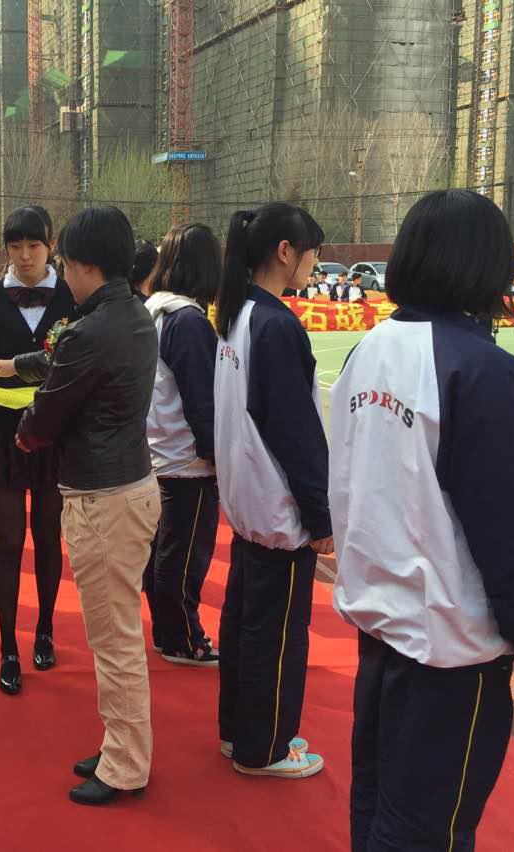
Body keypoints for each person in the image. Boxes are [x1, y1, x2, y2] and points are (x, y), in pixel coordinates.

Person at [329, 190, 514, 851]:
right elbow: (510, 526)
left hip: (384, 622)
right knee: (428, 827)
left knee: (379, 802)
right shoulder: (480, 370)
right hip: (450, 645)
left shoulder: (370, 348)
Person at [0, 206, 160, 806]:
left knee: (115, 641)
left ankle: (126, 763)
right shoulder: (132, 314)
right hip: (128, 485)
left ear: (82, 264)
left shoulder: (91, 329)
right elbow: (62, 356)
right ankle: (119, 744)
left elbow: (44, 418)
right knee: (115, 634)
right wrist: (18, 364)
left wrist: (26, 428)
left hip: (103, 496)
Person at [213, 202, 329, 779]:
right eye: (311, 254)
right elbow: (296, 433)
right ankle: (265, 747)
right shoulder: (275, 324)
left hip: (248, 500)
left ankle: (239, 730)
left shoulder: (238, 314)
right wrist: (322, 516)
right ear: (285, 252)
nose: (314, 264)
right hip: (276, 507)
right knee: (276, 634)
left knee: (245, 622)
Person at [0, 205, 76, 696]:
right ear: (6, 248)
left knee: (49, 537)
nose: (26, 255)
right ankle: (8, 646)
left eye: (34, 245)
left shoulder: (72, 297)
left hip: (54, 435)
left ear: (50, 245)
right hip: (2, 433)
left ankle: (44, 629)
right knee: (8, 542)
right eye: (16, 246)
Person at [142, 224, 222, 666]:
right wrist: (217, 456)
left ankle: (166, 630)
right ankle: (182, 638)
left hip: (156, 452)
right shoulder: (188, 321)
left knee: (163, 552)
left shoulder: (153, 310)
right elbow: (202, 401)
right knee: (182, 556)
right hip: (185, 460)